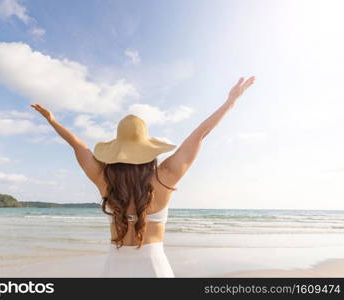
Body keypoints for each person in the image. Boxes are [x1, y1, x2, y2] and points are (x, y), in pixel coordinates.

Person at [31, 76, 255, 277]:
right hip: (154, 267)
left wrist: (52, 120)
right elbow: (200, 134)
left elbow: (77, 145)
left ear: (117, 150)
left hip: (115, 267)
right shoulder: (165, 176)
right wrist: (230, 102)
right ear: (148, 149)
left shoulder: (104, 179)